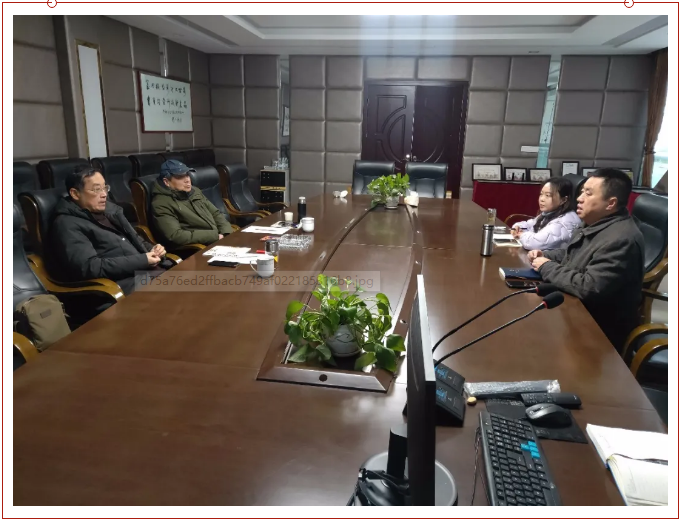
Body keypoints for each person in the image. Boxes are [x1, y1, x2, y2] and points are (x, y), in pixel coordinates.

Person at [529, 169, 645, 349]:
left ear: (611, 203)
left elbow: (588, 287)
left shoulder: (621, 239)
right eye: (582, 191)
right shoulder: (594, 223)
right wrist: (545, 255)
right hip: (573, 310)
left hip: (599, 332)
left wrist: (547, 266)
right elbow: (572, 254)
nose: (579, 198)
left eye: (588, 194)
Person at [51, 166, 168, 296]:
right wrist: (143, 260)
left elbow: (136, 239)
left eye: (105, 188)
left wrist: (153, 249)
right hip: (122, 285)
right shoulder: (67, 224)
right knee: (183, 286)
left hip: (150, 274)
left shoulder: (111, 211)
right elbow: (91, 267)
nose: (104, 194)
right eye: (96, 189)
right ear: (75, 194)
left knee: (185, 282)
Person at [151, 160, 232, 248]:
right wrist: (215, 236)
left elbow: (215, 213)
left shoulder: (194, 191)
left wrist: (226, 232)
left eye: (187, 175)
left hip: (217, 239)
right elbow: (176, 235)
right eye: (180, 177)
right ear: (166, 182)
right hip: (198, 247)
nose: (187, 180)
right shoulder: (160, 203)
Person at [511, 177, 581, 250]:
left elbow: (535, 243)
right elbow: (530, 224)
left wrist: (521, 235)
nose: (541, 199)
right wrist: (518, 227)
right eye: (541, 194)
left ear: (563, 200)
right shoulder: (550, 213)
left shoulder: (564, 222)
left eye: (548, 195)